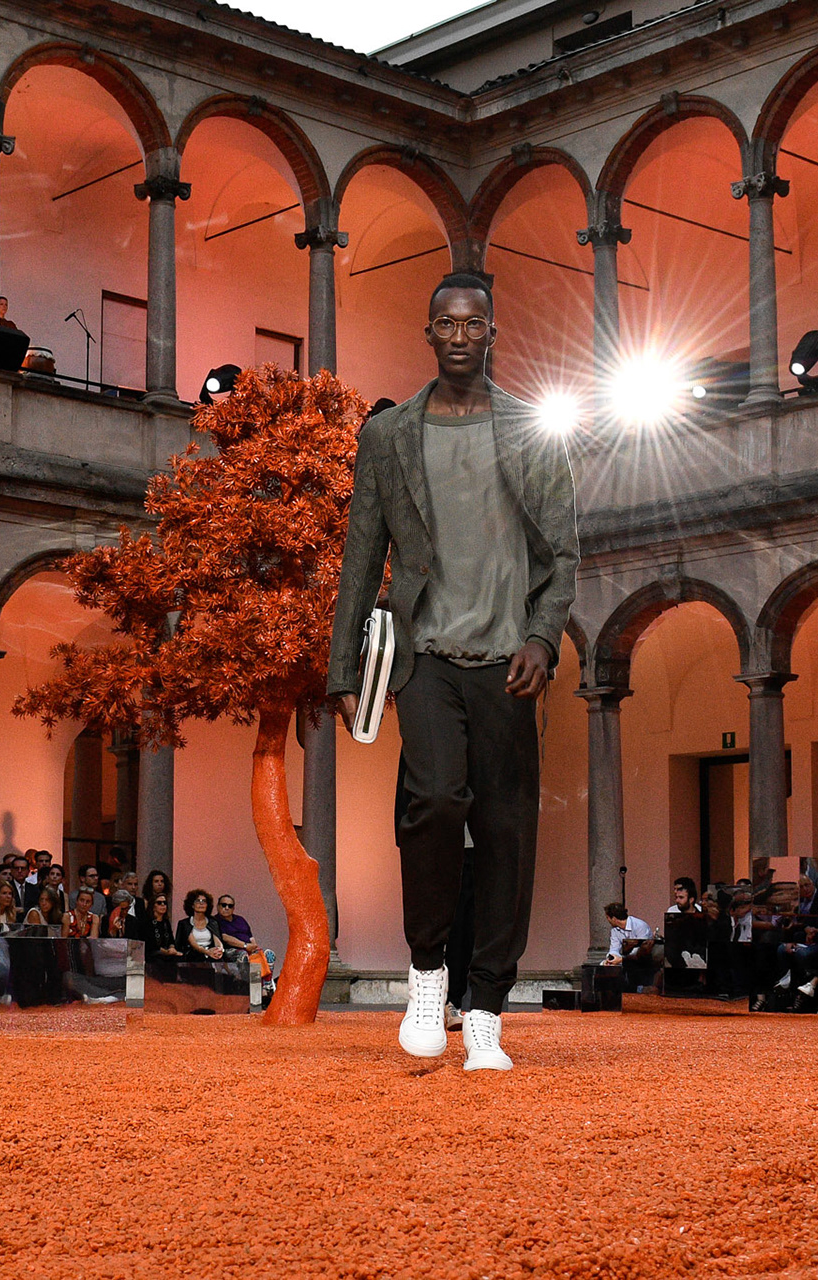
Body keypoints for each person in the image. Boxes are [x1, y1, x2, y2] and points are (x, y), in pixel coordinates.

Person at [328, 270, 577, 1072]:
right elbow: (362, 554)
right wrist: (342, 668)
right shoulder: (389, 435)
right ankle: (429, 973)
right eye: (448, 323)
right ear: (429, 333)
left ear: (492, 333)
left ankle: (488, 1012)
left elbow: (561, 553)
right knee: (433, 801)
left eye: (475, 324)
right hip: (425, 656)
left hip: (508, 663)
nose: (461, 335)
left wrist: (542, 639)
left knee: (507, 833)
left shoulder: (532, 430)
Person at [176, 889, 225, 960]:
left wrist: (219, 950)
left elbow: (218, 942)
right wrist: (207, 952)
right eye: (198, 901)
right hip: (193, 955)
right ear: (192, 905)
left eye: (204, 901)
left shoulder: (213, 922)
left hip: (211, 954)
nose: (201, 903)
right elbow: (194, 944)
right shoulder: (185, 923)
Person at [146, 893, 179, 957]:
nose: (163, 905)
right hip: (153, 955)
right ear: (153, 906)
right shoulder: (147, 923)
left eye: (165, 903)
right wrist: (166, 952)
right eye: (159, 903)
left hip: (167, 954)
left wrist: (172, 948)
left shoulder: (166, 922)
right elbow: (151, 945)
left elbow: (171, 941)